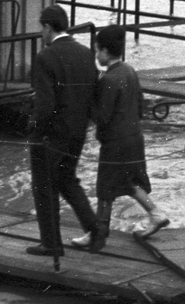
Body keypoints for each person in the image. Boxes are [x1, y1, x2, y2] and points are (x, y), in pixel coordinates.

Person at [70, 26, 169, 251]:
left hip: (115, 142)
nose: (96, 55)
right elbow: (140, 105)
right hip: (135, 136)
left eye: (97, 51)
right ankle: (156, 213)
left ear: (105, 51)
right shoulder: (129, 71)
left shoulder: (109, 79)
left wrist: (86, 103)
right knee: (129, 181)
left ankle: (97, 234)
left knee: (105, 190)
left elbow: (102, 117)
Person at [26, 5, 99, 258]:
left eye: (41, 28)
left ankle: (51, 243)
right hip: (77, 131)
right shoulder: (86, 53)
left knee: (44, 187)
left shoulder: (45, 56)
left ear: (47, 27)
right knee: (68, 180)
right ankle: (95, 227)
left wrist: (34, 130)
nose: (41, 33)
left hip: (51, 136)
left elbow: (45, 105)